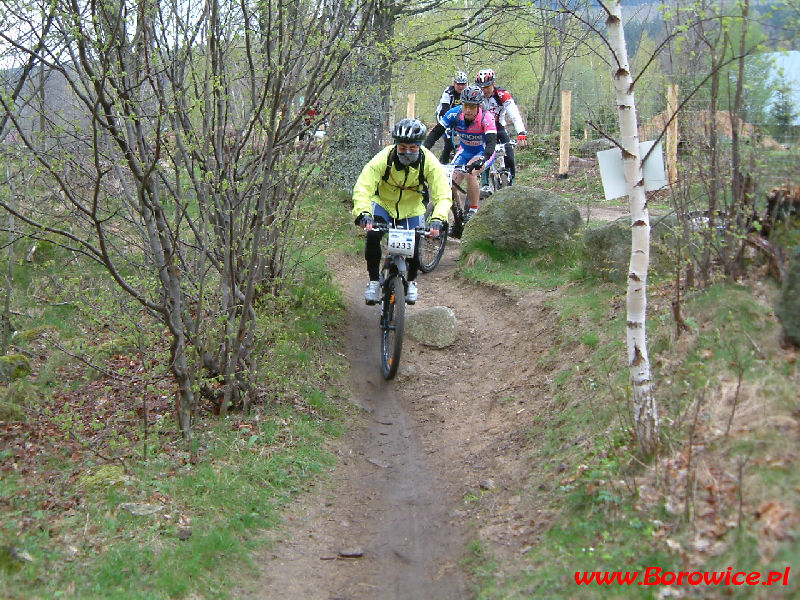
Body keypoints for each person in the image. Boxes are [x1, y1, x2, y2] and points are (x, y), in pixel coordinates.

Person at [352, 118, 452, 305]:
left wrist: (438, 218)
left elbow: (443, 193)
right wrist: (364, 213)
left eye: (413, 148)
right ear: (396, 146)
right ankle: (374, 281)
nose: (407, 152)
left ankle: (411, 281)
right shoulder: (383, 158)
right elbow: (363, 187)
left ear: (420, 146)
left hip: (412, 209)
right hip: (383, 204)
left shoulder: (428, 161)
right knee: (373, 236)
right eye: (403, 147)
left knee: (415, 244)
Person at [423, 85, 496, 220]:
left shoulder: (487, 117)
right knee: (449, 183)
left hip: (483, 152)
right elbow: (435, 133)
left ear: (479, 106)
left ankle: (473, 212)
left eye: (472, 107)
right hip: (465, 150)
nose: (467, 110)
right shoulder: (454, 114)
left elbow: (492, 143)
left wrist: (484, 158)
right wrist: (423, 150)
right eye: (465, 106)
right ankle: (458, 216)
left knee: (470, 173)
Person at [475, 68, 527, 184]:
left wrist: (521, 132)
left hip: (498, 126)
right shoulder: (476, 96)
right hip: (482, 128)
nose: (484, 91)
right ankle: (485, 184)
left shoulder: (502, 94)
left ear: (493, 84)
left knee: (508, 149)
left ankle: (512, 181)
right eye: (481, 88)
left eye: (487, 87)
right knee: (484, 153)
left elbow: (514, 114)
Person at [423, 71, 469, 163]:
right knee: (448, 141)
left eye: (463, 84)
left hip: (459, 117)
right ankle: (443, 163)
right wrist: (449, 127)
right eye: (458, 84)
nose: (461, 87)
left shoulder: (468, 93)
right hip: (444, 115)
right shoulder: (448, 92)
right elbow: (445, 110)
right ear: (454, 83)